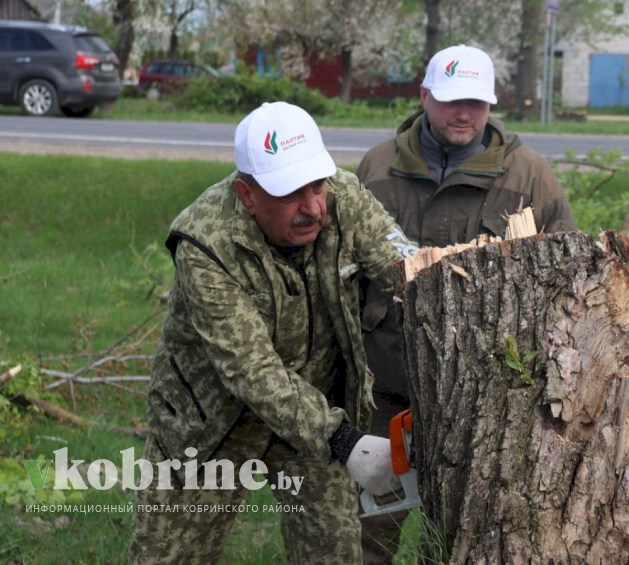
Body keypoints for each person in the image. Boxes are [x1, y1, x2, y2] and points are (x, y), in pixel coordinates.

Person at [128, 101, 419, 564]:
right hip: (209, 424)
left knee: (334, 555)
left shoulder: (343, 195)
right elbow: (249, 369)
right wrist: (347, 442)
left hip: (316, 409)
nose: (312, 206)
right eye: (290, 194)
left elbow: (401, 262)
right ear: (247, 194)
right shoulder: (205, 243)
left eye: (317, 185)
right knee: (167, 557)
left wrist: (449, 286)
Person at [355, 44, 577, 562]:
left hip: (481, 402)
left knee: (461, 538)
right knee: (365, 536)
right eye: (453, 100)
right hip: (387, 393)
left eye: (477, 102)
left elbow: (571, 277)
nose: (464, 113)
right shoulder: (377, 167)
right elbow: (345, 271)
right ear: (425, 96)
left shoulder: (529, 176)